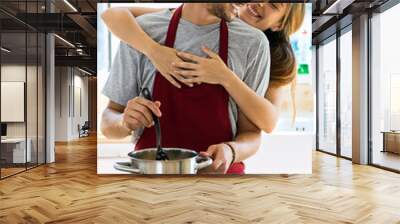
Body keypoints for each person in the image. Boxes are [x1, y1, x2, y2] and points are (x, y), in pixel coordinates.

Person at [101, 3, 271, 174]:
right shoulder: (140, 32)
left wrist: (231, 150)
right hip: (152, 186)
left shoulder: (253, 43)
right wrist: (124, 121)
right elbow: (108, 123)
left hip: (221, 185)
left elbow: (251, 134)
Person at [101, 3, 305, 133]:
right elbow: (113, 14)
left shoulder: (268, 53)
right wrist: (155, 51)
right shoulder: (194, 15)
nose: (260, 2)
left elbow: (267, 123)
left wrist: (226, 77)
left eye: (273, 4)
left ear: (279, 25)